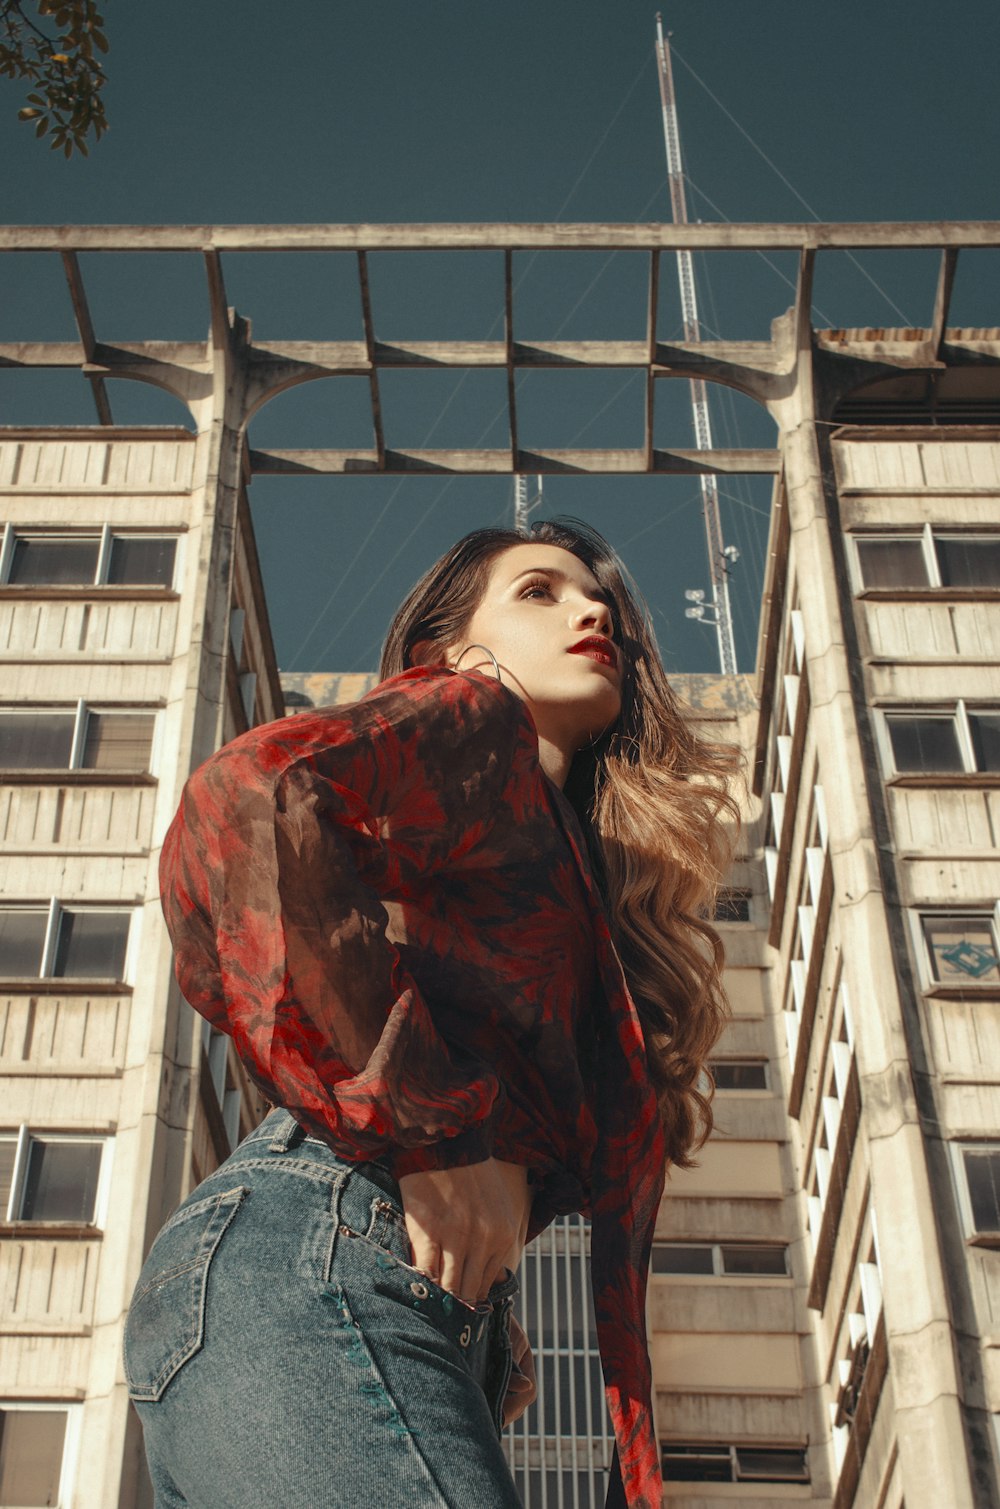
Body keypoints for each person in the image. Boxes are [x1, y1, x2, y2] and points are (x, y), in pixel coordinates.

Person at [124, 518, 739, 1509]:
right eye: (539, 591)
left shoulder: (548, 848)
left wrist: (490, 1316)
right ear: (457, 648)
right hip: (323, 1247)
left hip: (343, 1283)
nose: (593, 612)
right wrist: (429, 1135)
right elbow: (251, 797)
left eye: (604, 605)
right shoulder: (470, 718)